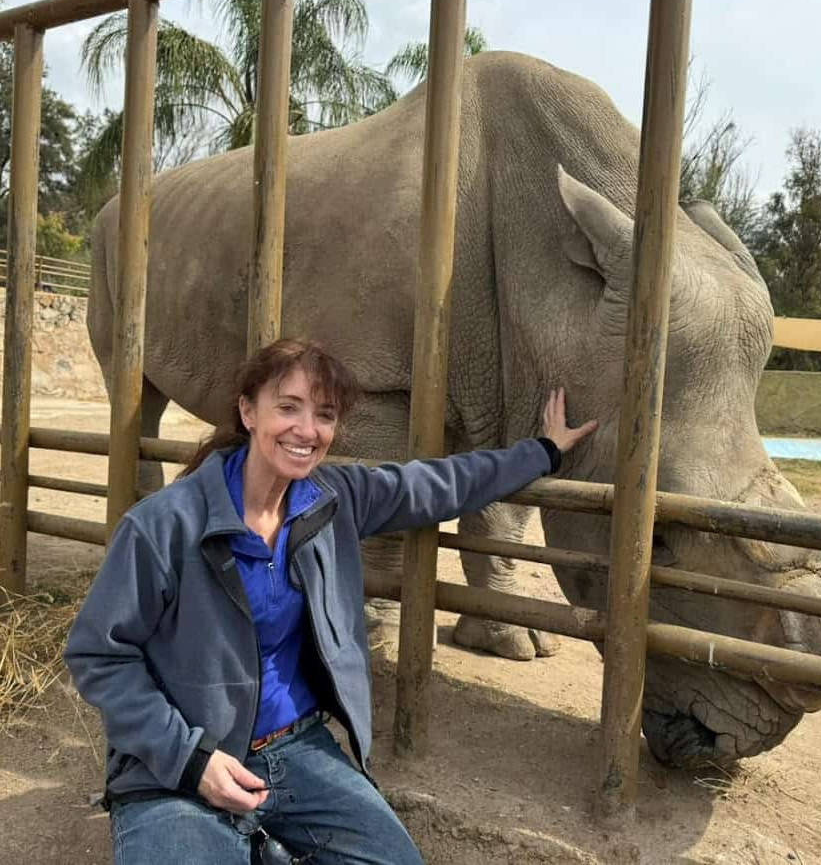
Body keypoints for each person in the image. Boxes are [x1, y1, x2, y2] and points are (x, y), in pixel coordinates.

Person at [64, 339, 598, 865]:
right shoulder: (163, 525)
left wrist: (543, 452)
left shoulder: (333, 500)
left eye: (324, 414)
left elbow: (439, 483)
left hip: (293, 751)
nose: (307, 430)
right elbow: (98, 655)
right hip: (179, 765)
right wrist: (189, 758)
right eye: (288, 408)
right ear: (248, 411)